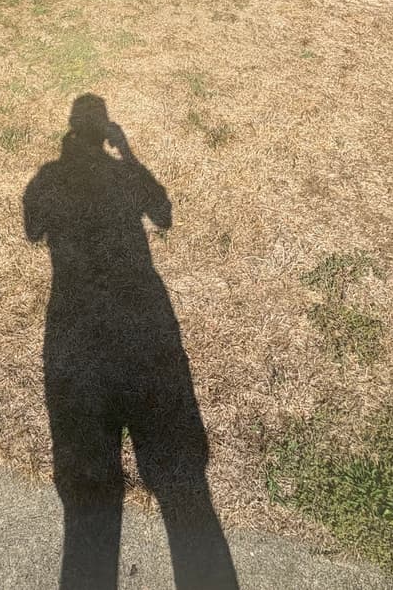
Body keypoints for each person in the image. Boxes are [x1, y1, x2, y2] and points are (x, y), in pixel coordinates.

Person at [23, 94, 238, 590]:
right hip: (143, 315)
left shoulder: (47, 178)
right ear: (104, 133)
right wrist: (128, 155)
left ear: (72, 131)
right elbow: (162, 214)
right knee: (185, 494)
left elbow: (33, 230)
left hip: (74, 327)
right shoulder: (122, 174)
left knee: (89, 501)